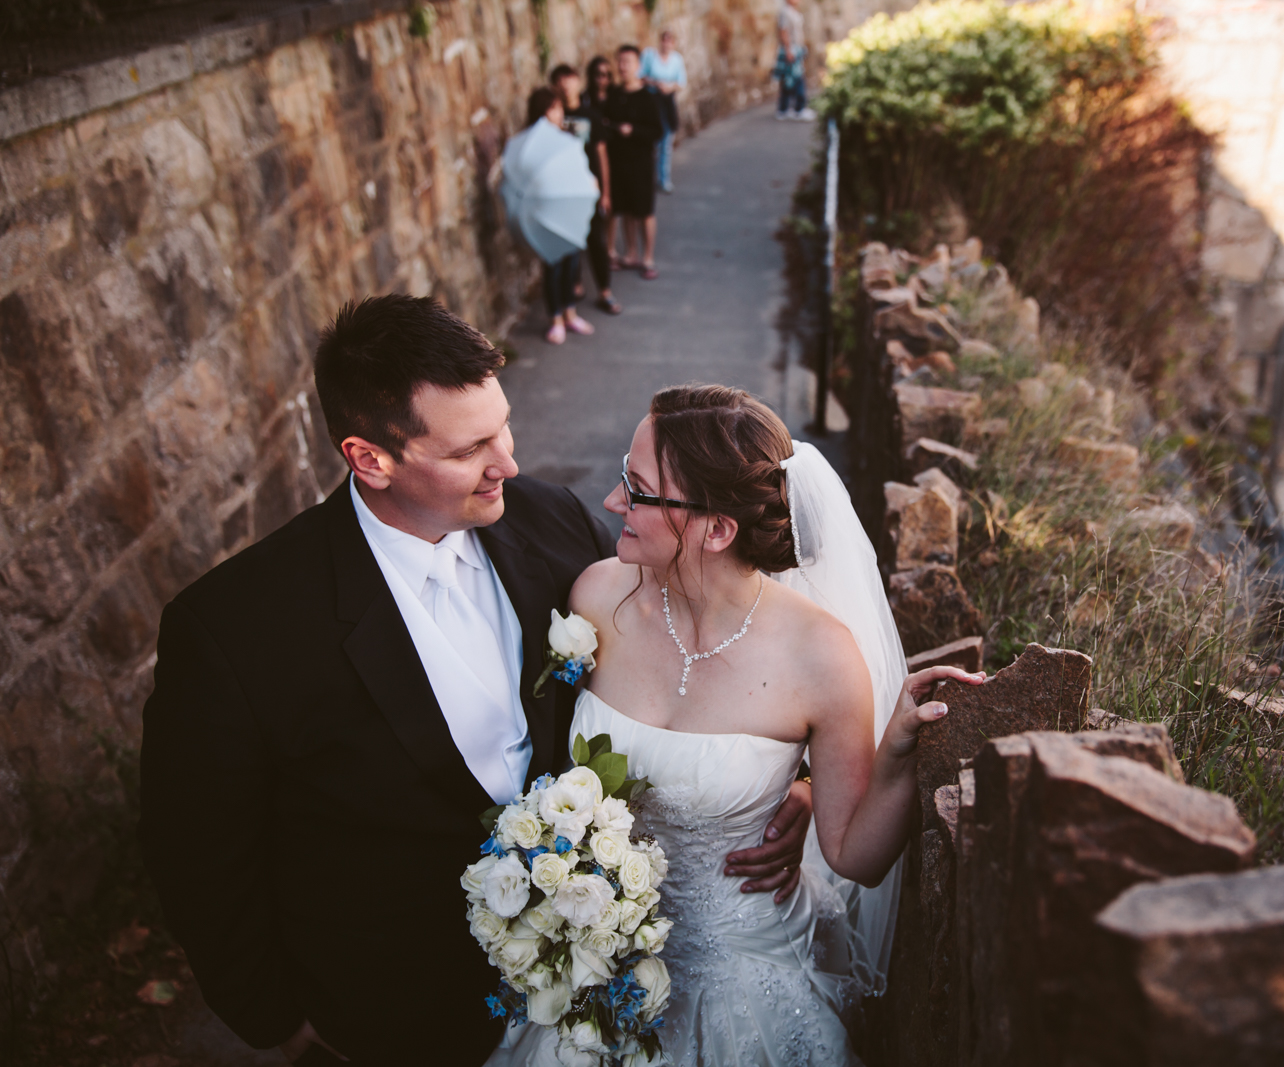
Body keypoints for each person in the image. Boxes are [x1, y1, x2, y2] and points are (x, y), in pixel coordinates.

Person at [138, 301, 815, 1067]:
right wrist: (276, 1022)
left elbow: (700, 632)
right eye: (471, 449)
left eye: (503, 425)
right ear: (369, 458)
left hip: (589, 994)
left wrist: (781, 776)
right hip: (388, 1016)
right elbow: (197, 854)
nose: (509, 462)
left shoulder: (552, 521)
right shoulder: (236, 630)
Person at [518, 384, 985, 1066]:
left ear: (716, 529)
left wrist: (896, 754)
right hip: (598, 959)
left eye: (638, 489)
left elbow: (854, 854)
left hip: (743, 968)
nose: (614, 502)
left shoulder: (820, 656)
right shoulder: (596, 595)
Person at [520, 86, 596, 344]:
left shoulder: (566, 138)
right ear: (543, 112)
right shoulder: (531, 144)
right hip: (545, 212)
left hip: (569, 209)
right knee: (553, 266)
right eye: (555, 108)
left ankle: (570, 313)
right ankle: (555, 318)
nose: (560, 112)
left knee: (571, 264)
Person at [553, 62, 621, 316]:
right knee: (571, 242)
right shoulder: (552, 118)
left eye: (570, 79)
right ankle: (575, 286)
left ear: (578, 83)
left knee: (596, 241)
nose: (566, 85)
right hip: (564, 192)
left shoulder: (590, 116)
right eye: (561, 80)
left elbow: (602, 155)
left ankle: (605, 291)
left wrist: (606, 192)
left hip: (589, 189)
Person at [604, 44, 665, 279]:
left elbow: (657, 131)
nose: (623, 67)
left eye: (627, 62)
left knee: (645, 212)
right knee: (626, 210)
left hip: (641, 162)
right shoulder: (615, 95)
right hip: (619, 162)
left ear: (638, 66)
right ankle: (631, 252)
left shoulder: (648, 98)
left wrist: (634, 131)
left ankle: (648, 257)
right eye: (620, 62)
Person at [641, 30, 687, 193]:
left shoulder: (676, 59)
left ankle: (664, 178)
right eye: (664, 40)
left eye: (669, 41)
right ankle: (649, 177)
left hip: (667, 103)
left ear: (673, 43)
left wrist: (669, 86)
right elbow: (640, 76)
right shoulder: (649, 55)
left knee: (666, 142)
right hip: (652, 101)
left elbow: (681, 82)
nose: (666, 44)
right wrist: (655, 83)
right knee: (652, 141)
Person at [775, 0, 815, 121]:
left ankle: (784, 109)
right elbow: (783, 31)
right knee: (797, 79)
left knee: (789, 80)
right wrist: (788, 50)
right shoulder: (785, 12)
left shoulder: (793, 12)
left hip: (796, 49)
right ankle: (799, 108)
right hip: (791, 50)